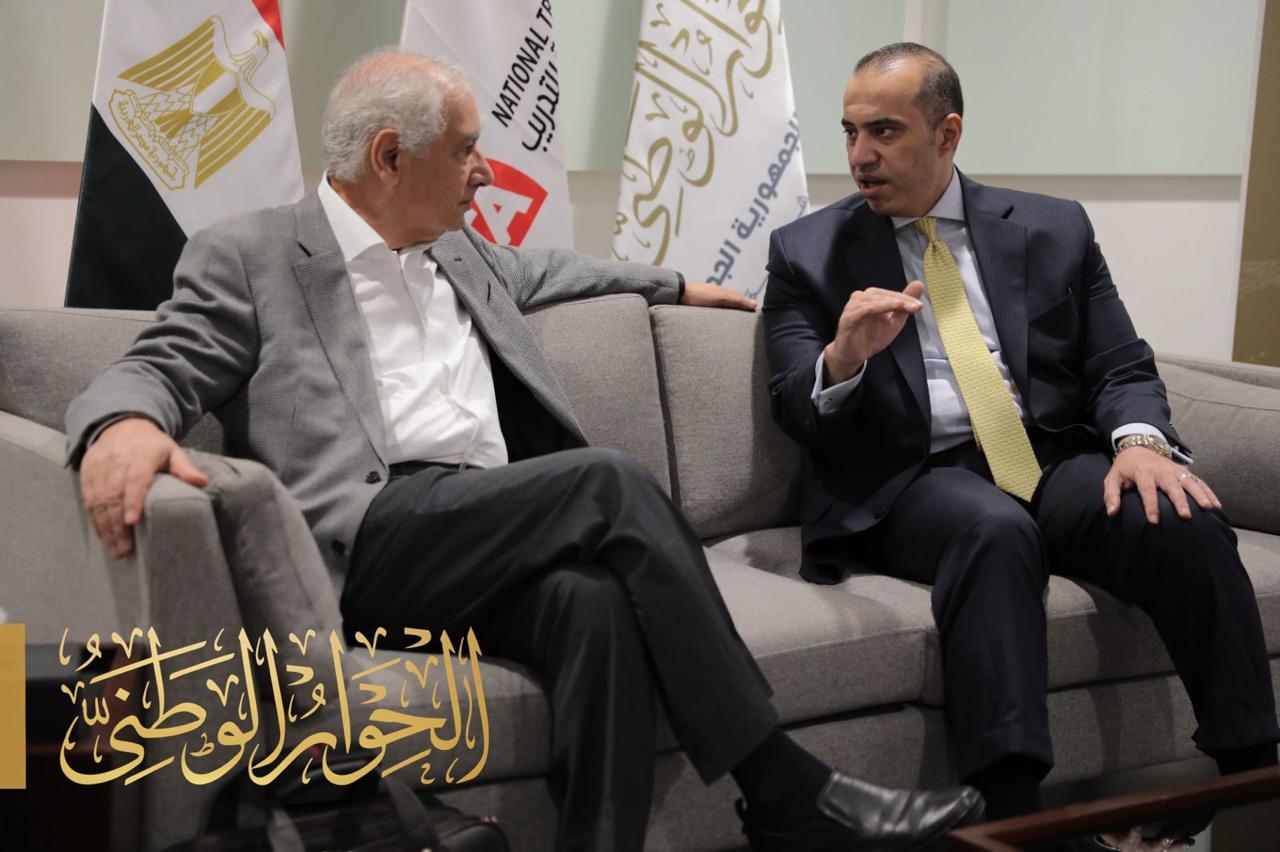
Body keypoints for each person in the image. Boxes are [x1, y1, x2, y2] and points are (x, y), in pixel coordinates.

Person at [67, 50, 982, 852]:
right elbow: (155, 365)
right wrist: (122, 426)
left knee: (593, 604)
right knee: (606, 481)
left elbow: (559, 269)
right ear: (389, 156)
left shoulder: (459, 252)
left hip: (486, 529)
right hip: (372, 535)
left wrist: (673, 284)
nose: (484, 172)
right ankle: (781, 785)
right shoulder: (254, 255)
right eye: (465, 149)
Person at [762, 42, 1279, 820]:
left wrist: (1141, 444)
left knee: (1180, 513)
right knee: (996, 532)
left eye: (884, 131)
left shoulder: (1053, 228)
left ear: (947, 133)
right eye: (850, 132)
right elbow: (793, 407)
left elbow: (1121, 365)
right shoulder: (806, 253)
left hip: (1046, 461)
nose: (860, 156)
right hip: (912, 480)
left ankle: (1249, 781)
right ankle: (1011, 814)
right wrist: (843, 360)